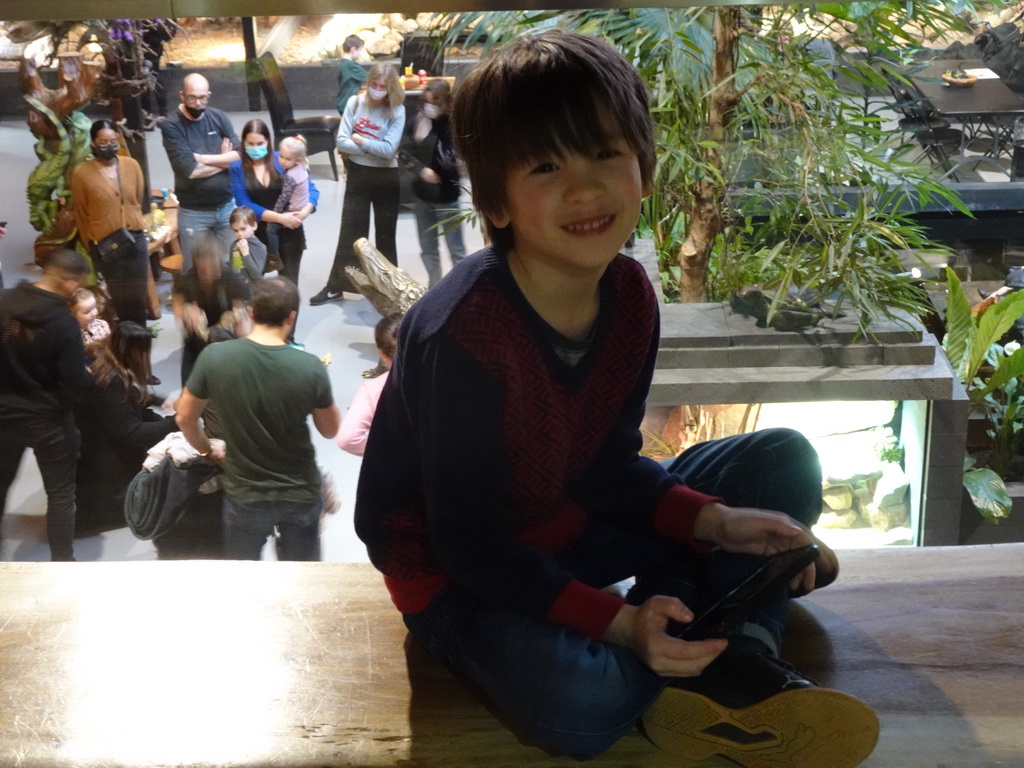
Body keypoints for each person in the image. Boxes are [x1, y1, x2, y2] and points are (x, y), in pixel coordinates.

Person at [353, 30, 879, 766]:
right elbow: (469, 545)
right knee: (580, 705)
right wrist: (620, 623)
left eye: (604, 153)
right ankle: (734, 645)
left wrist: (720, 524)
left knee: (780, 463)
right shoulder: (461, 335)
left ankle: (712, 649)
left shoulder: (630, 294)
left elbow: (606, 469)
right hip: (455, 573)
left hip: (569, 523)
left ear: (643, 169)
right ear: (497, 204)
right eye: (545, 165)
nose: (585, 187)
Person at [176, 277, 340, 560]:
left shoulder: (215, 357)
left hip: (244, 491)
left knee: (244, 580)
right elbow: (330, 429)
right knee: (303, 579)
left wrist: (206, 448)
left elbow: (184, 418)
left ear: (251, 313)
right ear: (292, 317)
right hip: (299, 491)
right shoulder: (309, 366)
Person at [0, 248, 91, 561]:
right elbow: (76, 382)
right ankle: (63, 563)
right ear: (68, 281)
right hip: (48, 421)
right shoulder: (65, 324)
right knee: (61, 494)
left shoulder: (4, 301)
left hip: (3, 416)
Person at [311, 63, 405, 306]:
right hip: (359, 175)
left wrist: (361, 140)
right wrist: (372, 147)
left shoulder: (397, 110)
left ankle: (389, 290)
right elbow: (342, 142)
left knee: (386, 236)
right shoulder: (355, 103)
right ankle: (337, 286)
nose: (377, 90)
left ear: (390, 88)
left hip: (386, 178)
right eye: (374, 84)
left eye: (382, 87)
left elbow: (388, 150)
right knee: (350, 232)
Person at [74, 321, 176, 534]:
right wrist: (174, 424)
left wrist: (159, 409)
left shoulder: (104, 364)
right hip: (103, 462)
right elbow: (132, 434)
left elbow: (128, 404)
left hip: (89, 451)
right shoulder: (113, 383)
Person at [71, 119, 150, 326]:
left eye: (113, 140)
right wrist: (92, 245)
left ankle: (139, 346)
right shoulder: (81, 173)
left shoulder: (131, 165)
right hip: (106, 246)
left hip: (135, 240)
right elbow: (81, 213)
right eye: (103, 142)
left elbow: (138, 198)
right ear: (93, 143)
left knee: (137, 298)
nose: (109, 146)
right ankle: (125, 344)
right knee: (121, 300)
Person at [160, 72, 240, 272]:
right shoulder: (172, 125)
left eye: (202, 97)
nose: (197, 103)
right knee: (194, 270)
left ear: (208, 95)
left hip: (226, 207)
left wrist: (203, 158)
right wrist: (224, 160)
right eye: (192, 97)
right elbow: (191, 171)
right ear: (182, 96)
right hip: (194, 213)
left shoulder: (218, 117)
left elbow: (240, 156)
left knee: (232, 265)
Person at [229, 118, 319, 287]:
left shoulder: (283, 159)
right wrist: (279, 218)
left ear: (268, 142)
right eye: (251, 144)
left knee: (289, 285)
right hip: (255, 235)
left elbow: (311, 189)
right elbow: (244, 203)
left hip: (290, 231)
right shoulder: (237, 168)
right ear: (243, 143)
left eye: (260, 143)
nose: (255, 148)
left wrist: (306, 210)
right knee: (253, 285)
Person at [400, 79, 466, 288]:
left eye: (433, 103)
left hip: (447, 196)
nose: (429, 107)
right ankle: (435, 286)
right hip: (422, 195)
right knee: (428, 248)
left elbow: (451, 159)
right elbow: (403, 153)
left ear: (444, 102)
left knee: (456, 249)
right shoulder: (417, 121)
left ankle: (461, 290)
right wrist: (421, 170)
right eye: (425, 102)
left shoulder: (453, 125)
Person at [172, 231, 250, 386]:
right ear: (196, 264)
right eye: (202, 270)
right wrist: (187, 315)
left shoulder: (233, 280)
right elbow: (178, 305)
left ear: (219, 263)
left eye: (213, 268)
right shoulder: (186, 279)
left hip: (226, 338)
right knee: (190, 387)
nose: (207, 274)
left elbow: (242, 318)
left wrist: (238, 324)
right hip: (197, 339)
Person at [336, 311, 401, 456]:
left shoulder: (373, 390)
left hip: (398, 470)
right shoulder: (442, 377)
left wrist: (389, 452)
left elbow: (347, 439)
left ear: (382, 354)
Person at [265, 136, 311, 266]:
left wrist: (275, 215)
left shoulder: (290, 176)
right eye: (281, 156)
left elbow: (284, 197)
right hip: (301, 205)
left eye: (288, 159)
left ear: (298, 159)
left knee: (271, 230)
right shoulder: (303, 167)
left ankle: (273, 256)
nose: (283, 161)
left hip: (293, 209)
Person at [227, 206, 267, 284]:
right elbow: (234, 269)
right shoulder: (234, 245)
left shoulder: (260, 247)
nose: (239, 234)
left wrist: (245, 254)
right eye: (236, 230)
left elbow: (257, 277)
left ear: (254, 226)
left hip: (253, 290)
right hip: (238, 288)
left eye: (243, 229)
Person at [69, 287, 111, 356]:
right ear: (74, 314)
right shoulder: (73, 335)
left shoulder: (102, 325)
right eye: (87, 312)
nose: (93, 313)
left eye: (94, 307)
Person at [336, 34, 367, 118]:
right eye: (359, 50)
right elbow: (369, 77)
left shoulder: (343, 63)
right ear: (353, 50)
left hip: (343, 103)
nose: (360, 54)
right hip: (347, 104)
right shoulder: (350, 65)